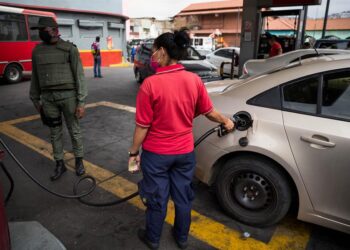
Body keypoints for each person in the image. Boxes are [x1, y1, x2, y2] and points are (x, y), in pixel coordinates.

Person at [128, 31, 234, 249]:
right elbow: (208, 112)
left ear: (163, 52)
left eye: (155, 50)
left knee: (157, 198)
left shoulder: (150, 85)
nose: (153, 55)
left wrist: (133, 153)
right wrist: (226, 121)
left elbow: (142, 126)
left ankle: (153, 239)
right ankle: (182, 238)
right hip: (184, 153)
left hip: (157, 155)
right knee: (183, 197)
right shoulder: (194, 80)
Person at [29, 17, 87, 181]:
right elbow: (36, 77)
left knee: (74, 130)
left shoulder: (69, 49)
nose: (40, 34)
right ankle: (59, 163)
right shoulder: (37, 51)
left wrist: (81, 102)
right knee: (55, 133)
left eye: (43, 30)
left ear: (54, 30)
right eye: (39, 31)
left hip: (69, 96)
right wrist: (35, 100)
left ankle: (79, 161)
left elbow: (79, 77)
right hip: (48, 99)